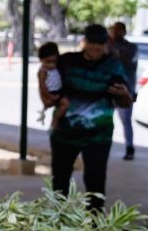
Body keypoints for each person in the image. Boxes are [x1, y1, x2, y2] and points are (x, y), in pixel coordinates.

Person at [45, 24, 132, 211]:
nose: (95, 47)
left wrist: (124, 93)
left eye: (100, 43)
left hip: (98, 136)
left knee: (95, 180)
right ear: (84, 41)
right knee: (60, 180)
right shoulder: (67, 61)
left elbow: (125, 102)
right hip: (64, 134)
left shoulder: (113, 66)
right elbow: (48, 83)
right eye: (92, 42)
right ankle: (56, 223)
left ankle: (94, 226)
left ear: (106, 44)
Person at [107, 22, 139, 160]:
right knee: (107, 120)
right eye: (114, 30)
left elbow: (131, 63)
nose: (116, 33)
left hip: (125, 88)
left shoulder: (130, 47)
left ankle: (129, 147)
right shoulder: (107, 46)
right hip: (108, 88)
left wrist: (115, 51)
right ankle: (105, 146)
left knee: (126, 120)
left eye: (119, 30)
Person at [36, 42, 69, 129]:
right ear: (41, 60)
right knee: (65, 103)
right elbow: (42, 85)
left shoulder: (55, 68)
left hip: (58, 90)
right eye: (48, 62)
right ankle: (55, 120)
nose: (51, 65)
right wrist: (49, 95)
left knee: (64, 104)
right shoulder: (43, 71)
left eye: (54, 62)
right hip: (51, 91)